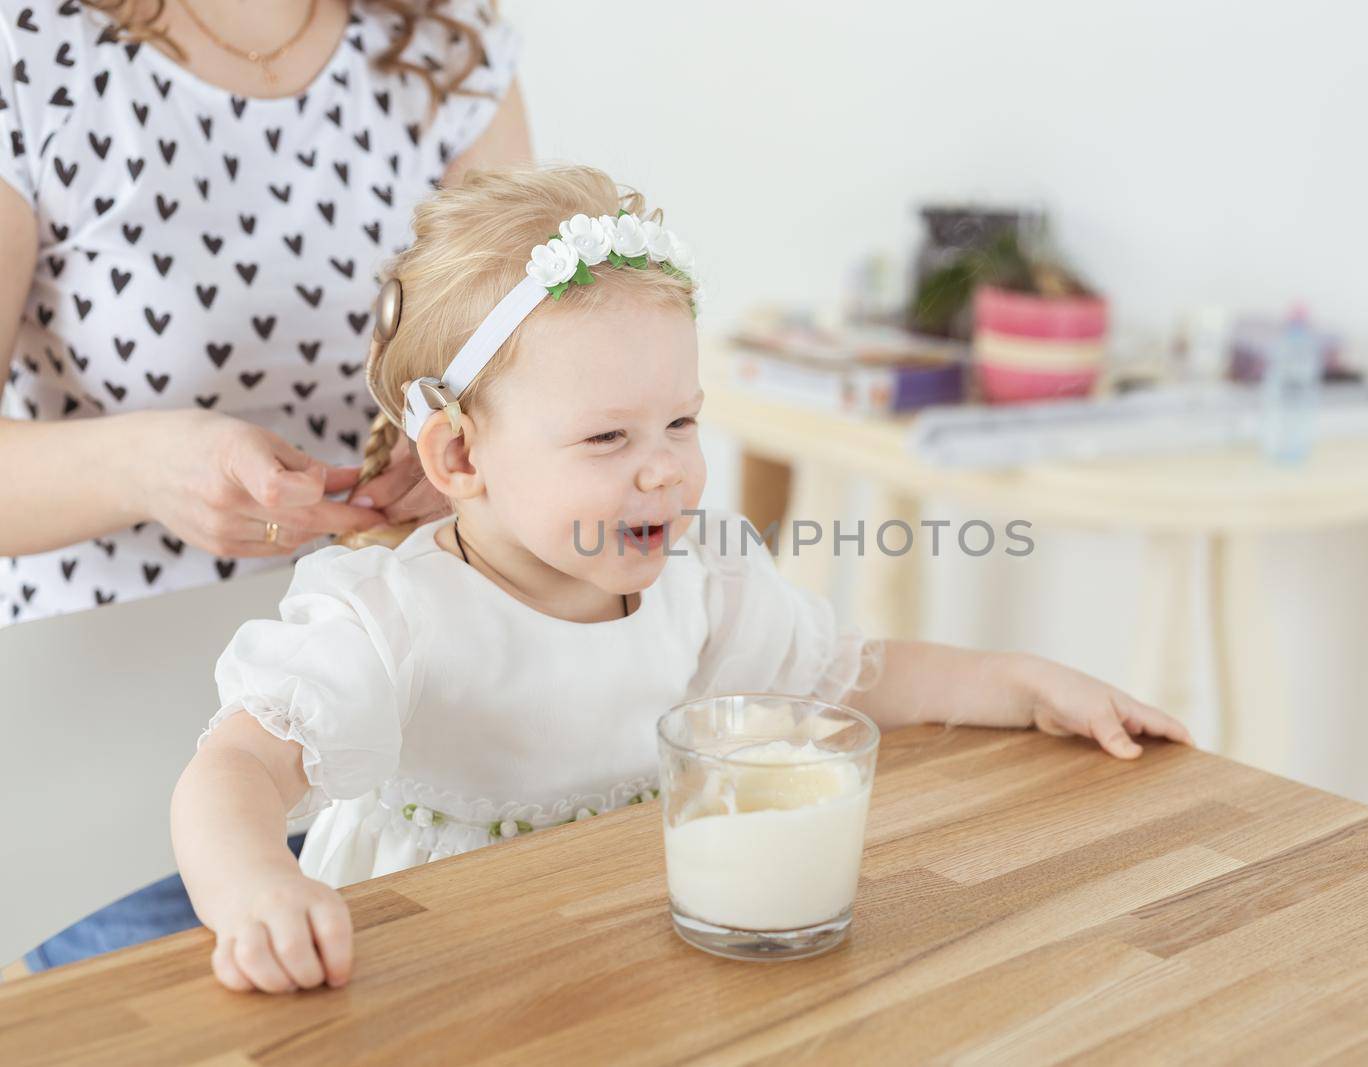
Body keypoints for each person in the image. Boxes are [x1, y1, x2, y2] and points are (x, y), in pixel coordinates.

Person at [151, 163, 1190, 992]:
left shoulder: (704, 577)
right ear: (460, 457)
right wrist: (251, 886)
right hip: (439, 969)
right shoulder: (389, 614)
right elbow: (233, 769)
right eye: (607, 435)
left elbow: (849, 678)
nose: (666, 467)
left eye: (681, 421)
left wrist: (1023, 682)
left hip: (632, 944)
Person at [0, 0, 531, 626]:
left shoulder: (446, 42)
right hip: (111, 646)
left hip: (398, 630)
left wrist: (476, 449)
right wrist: (145, 467)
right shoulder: (29, 49)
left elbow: (524, 369)